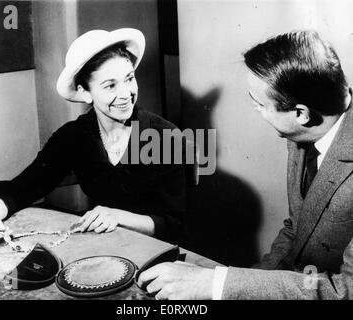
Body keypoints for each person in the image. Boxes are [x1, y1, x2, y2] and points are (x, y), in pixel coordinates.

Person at [138, 30, 353, 299]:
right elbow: (298, 231)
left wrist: (216, 285)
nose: (255, 109)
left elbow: (346, 289)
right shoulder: (304, 133)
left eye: (260, 104)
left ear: (301, 114)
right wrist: (239, 283)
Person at [0, 28, 187, 245]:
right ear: (85, 92)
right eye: (110, 85)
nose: (126, 94)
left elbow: (174, 224)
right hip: (103, 248)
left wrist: (117, 216)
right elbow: (21, 188)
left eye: (129, 79)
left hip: (160, 254)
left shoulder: (165, 137)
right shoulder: (74, 137)